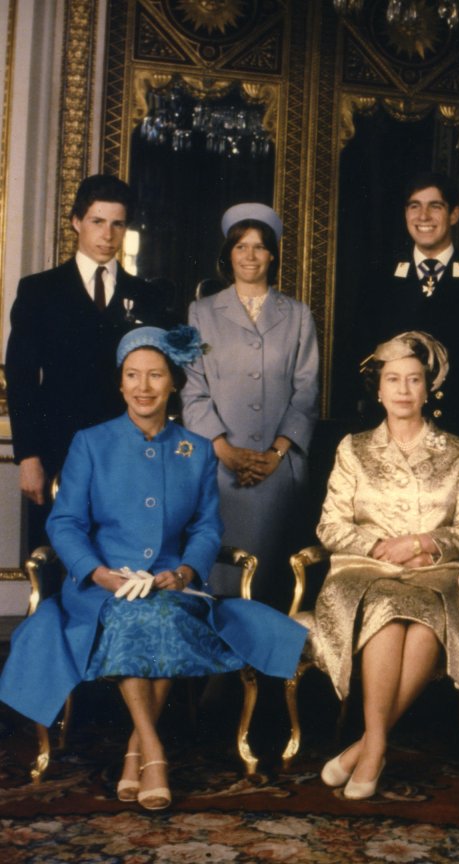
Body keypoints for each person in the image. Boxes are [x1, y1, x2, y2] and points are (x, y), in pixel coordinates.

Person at [0, 326, 307, 810]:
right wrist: (97, 573)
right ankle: (154, 751)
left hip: (171, 585)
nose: (143, 387)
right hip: (100, 588)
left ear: (174, 383)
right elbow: (65, 523)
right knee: (134, 618)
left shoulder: (196, 450)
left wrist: (184, 572)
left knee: (162, 614)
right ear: (120, 383)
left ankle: (134, 753)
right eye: (132, 375)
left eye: (156, 375)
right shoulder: (91, 443)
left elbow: (206, 528)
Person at [310, 331, 459, 800]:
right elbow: (330, 526)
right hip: (363, 571)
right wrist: (380, 547)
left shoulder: (458, 450)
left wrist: (423, 543)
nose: (403, 389)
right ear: (378, 390)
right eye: (393, 379)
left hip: (435, 573)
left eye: (413, 380)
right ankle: (375, 746)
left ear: (428, 388)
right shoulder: (353, 448)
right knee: (388, 610)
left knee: (425, 618)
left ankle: (367, 748)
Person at [7, 174, 174, 550]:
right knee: (55, 560)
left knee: (124, 561)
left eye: (118, 224)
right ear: (76, 222)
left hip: (129, 452)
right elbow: (21, 378)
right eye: (98, 221)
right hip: (56, 450)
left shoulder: (146, 296)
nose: (107, 235)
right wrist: (29, 457)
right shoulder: (39, 290)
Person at [182, 204, 319, 605]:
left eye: (259, 247)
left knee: (270, 587)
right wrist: (223, 450)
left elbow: (307, 392)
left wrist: (276, 454)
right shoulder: (202, 312)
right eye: (241, 246)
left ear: (272, 255)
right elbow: (193, 389)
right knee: (218, 584)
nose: (250, 255)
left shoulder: (297, 315)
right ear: (229, 254)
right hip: (218, 469)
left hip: (277, 469)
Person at [357, 172, 459, 482]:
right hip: (391, 435)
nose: (423, 216)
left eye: (435, 206)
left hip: (457, 433)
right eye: (414, 206)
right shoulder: (379, 281)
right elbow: (362, 357)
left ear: (454, 214)